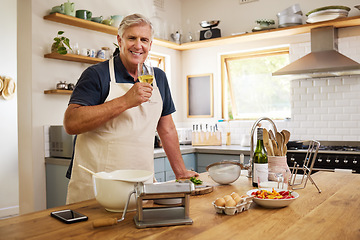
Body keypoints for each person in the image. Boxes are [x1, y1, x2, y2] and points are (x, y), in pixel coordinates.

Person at [64, 13, 198, 204]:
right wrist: (125, 101)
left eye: (144, 39)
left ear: (150, 44)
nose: (138, 45)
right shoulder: (96, 75)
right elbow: (71, 123)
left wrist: (181, 172)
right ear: (120, 40)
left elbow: (166, 129)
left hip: (141, 185)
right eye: (132, 38)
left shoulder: (158, 78)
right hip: (98, 187)